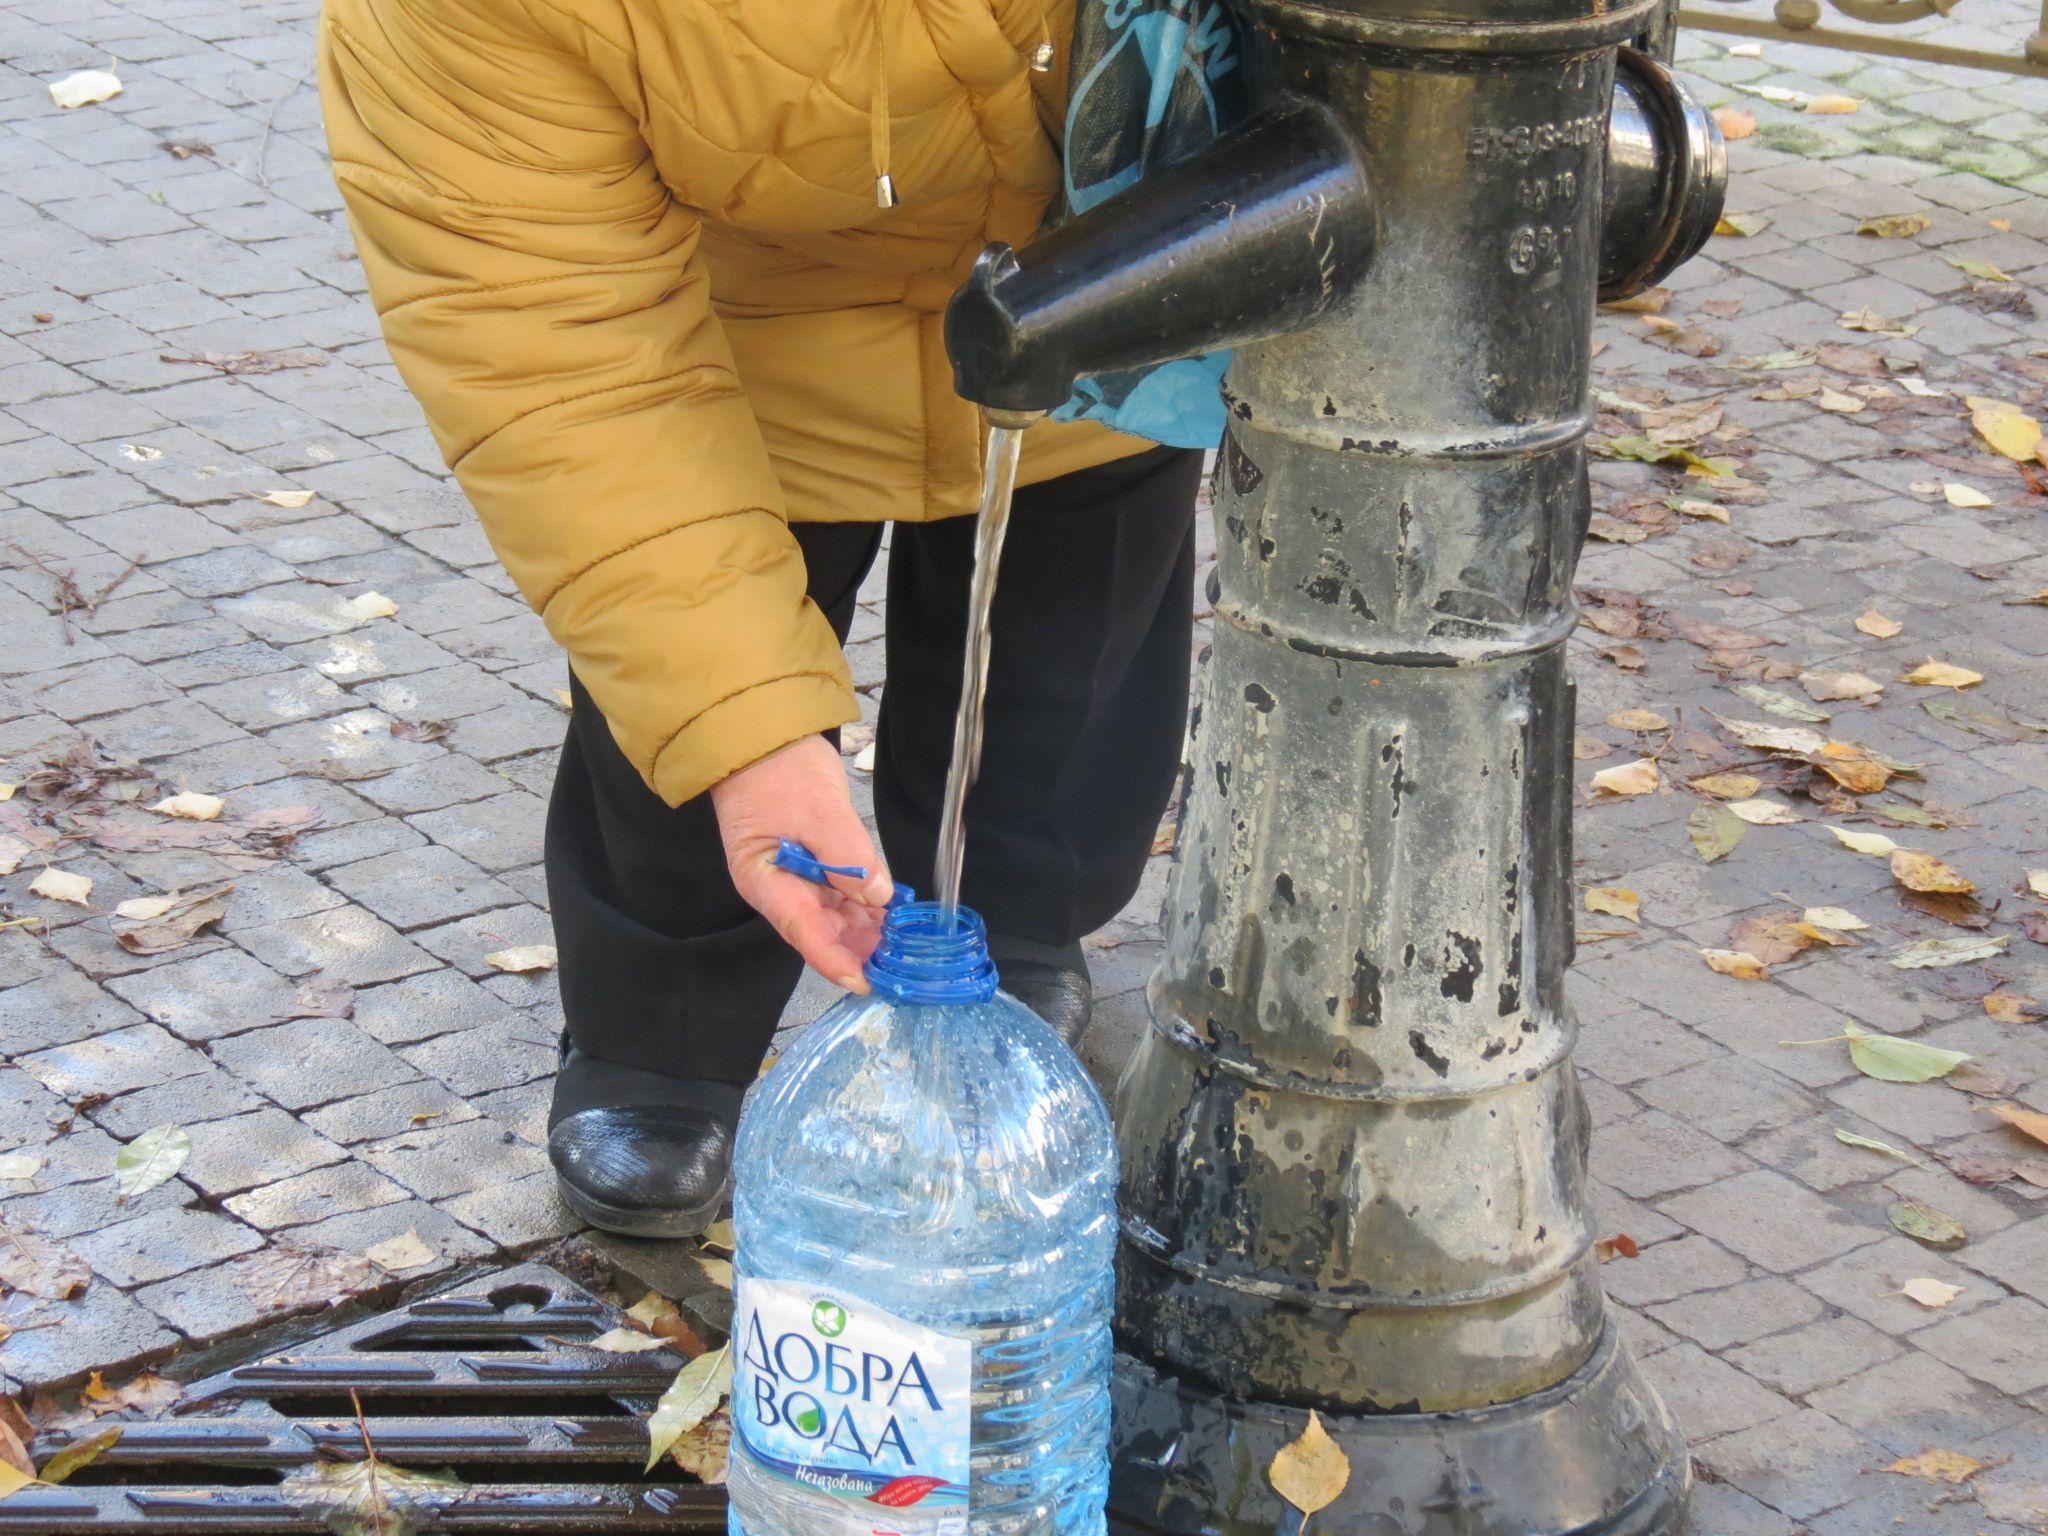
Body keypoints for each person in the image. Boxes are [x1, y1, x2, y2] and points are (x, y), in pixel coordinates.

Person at [317, 0, 1204, 1237]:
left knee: (1061, 689)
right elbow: (555, 355)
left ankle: (1015, 939)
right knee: (686, 704)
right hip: (737, 365)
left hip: (1104, 314)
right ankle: (660, 1037)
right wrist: (747, 746)